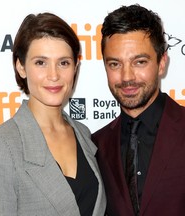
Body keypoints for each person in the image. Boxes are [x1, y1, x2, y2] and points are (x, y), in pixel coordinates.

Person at [0, 12, 106, 216]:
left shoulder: (84, 134)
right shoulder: (0, 146)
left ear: (75, 67)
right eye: (41, 63)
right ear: (21, 67)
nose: (54, 75)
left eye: (63, 63)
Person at [92, 4, 185, 216]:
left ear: (161, 63)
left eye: (139, 62)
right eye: (115, 64)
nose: (127, 77)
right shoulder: (96, 145)